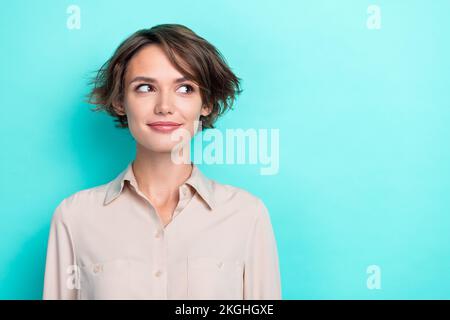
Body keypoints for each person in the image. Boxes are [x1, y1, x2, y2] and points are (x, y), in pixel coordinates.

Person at [43, 24, 281, 300]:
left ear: (206, 104)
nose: (164, 106)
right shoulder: (74, 218)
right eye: (145, 88)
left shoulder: (247, 215)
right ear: (121, 101)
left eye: (185, 88)